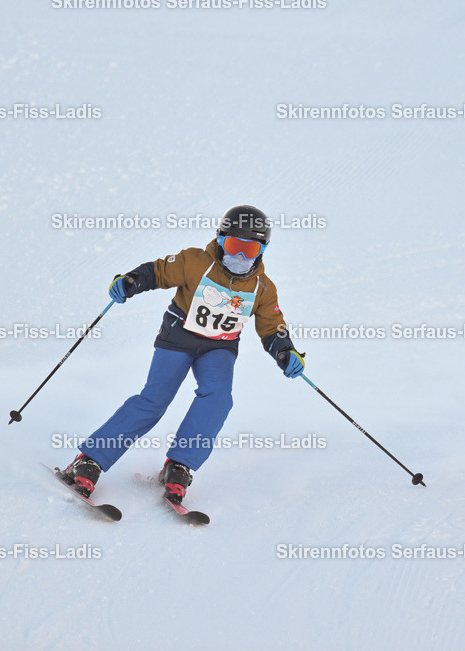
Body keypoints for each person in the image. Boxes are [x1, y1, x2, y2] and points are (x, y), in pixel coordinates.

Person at [59, 205, 305, 505]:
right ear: (220, 239)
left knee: (218, 398)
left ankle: (179, 466)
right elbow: (158, 272)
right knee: (153, 401)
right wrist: (131, 281)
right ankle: (90, 461)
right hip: (178, 338)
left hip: (219, 348)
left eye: (249, 249)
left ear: (262, 250)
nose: (239, 257)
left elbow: (271, 325)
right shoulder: (195, 261)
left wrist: (285, 351)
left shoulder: (262, 288)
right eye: (233, 246)